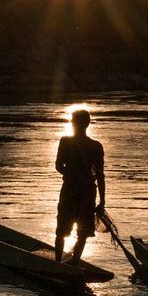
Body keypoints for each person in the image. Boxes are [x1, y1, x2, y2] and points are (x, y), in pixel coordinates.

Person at [54, 107, 105, 263]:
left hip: (70, 190)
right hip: (87, 192)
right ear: (88, 124)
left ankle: (58, 263)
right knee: (82, 232)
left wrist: (69, 174)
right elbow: (100, 176)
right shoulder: (96, 146)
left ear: (73, 123)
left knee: (62, 230)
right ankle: (74, 262)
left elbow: (58, 165)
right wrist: (102, 201)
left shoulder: (65, 141)